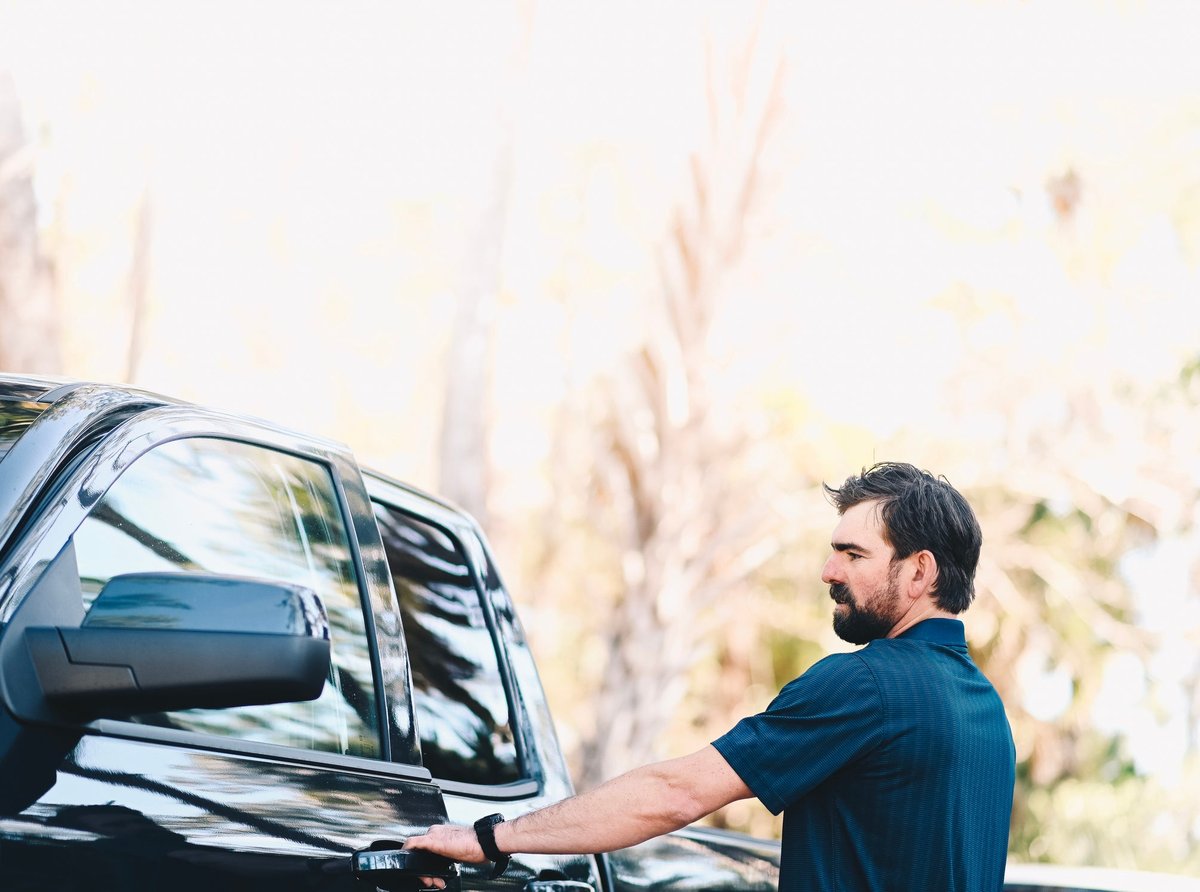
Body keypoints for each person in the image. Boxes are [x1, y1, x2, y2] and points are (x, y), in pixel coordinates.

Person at [405, 462, 1016, 891]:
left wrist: (492, 837)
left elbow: (678, 793)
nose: (828, 569)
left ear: (920, 572)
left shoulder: (867, 686)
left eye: (854, 554)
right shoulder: (985, 710)